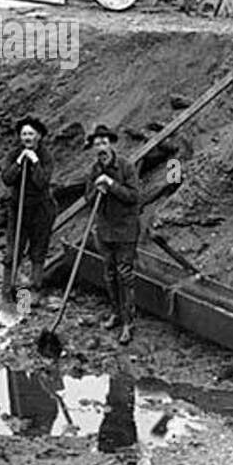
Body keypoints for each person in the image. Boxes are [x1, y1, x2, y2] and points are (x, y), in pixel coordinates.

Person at [84, 124, 141, 345]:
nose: (101, 148)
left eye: (104, 143)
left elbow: (134, 196)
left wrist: (111, 184)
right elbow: (88, 201)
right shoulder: (93, 171)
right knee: (109, 275)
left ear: (111, 144)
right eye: (97, 144)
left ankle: (128, 323)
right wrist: (96, 190)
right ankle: (116, 313)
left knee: (125, 276)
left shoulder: (126, 167)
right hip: (105, 231)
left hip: (125, 231)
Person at [0, 115, 56, 319]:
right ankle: (7, 295)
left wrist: (34, 162)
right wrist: (18, 161)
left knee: (37, 251)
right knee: (13, 251)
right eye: (24, 134)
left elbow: (42, 182)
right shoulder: (14, 153)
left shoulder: (46, 156)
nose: (27, 137)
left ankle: (28, 300)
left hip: (41, 210)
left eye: (31, 133)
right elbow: (7, 179)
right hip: (18, 209)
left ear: (39, 136)